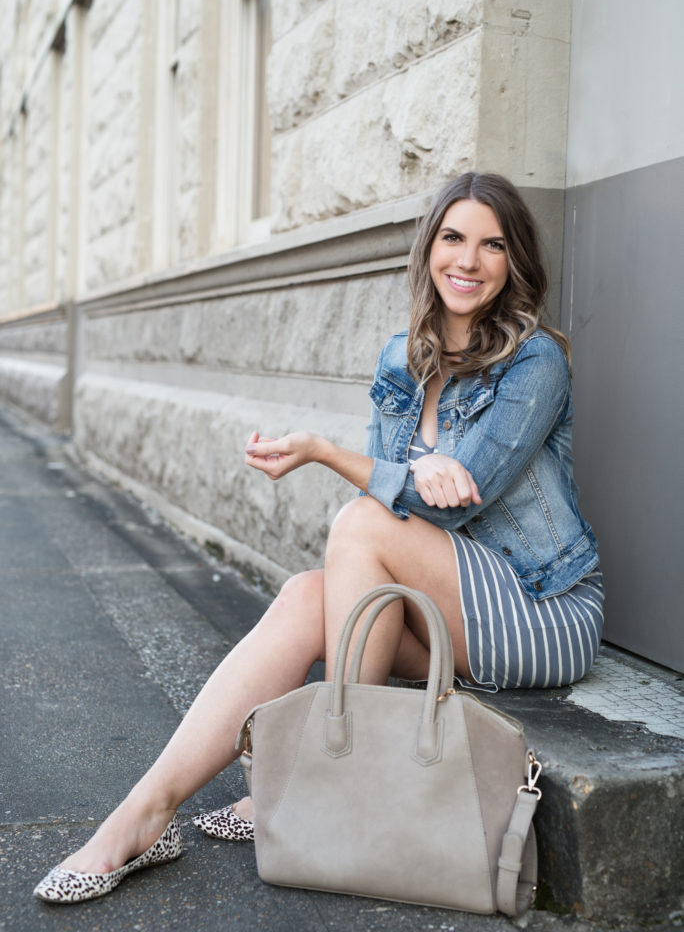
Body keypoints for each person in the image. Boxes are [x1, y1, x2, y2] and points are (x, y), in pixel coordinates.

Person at [33, 172, 602, 904]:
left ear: (513, 259)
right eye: (454, 238)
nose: (470, 260)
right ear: (429, 250)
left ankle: (322, 781)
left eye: (492, 245)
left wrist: (328, 453)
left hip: (540, 607)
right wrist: (402, 478)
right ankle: (145, 814)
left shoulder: (535, 362)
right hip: (449, 605)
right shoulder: (402, 359)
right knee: (308, 596)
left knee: (360, 524)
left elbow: (456, 503)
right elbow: (400, 499)